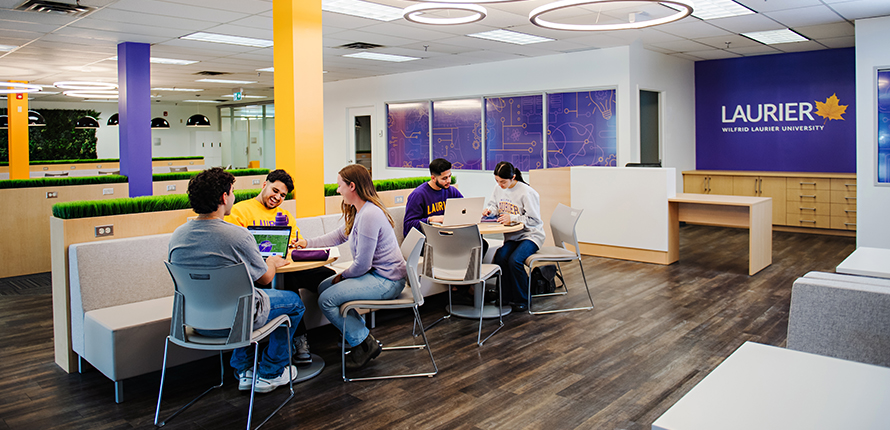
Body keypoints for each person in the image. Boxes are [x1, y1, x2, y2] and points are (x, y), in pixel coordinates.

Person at [168, 167, 304, 393]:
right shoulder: (237, 236)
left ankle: (245, 369)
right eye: (231, 191)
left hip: (194, 321)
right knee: (293, 303)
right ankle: (272, 371)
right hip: (235, 323)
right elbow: (265, 279)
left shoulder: (177, 235)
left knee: (239, 298)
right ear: (223, 197)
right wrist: (270, 262)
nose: (233, 196)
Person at [295, 164, 406, 370]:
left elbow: (362, 265)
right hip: (377, 275)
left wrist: (342, 276)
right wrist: (307, 243)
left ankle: (363, 342)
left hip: (388, 280)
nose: (338, 191)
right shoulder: (360, 211)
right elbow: (338, 235)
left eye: (340, 186)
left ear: (352, 186)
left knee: (326, 299)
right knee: (322, 287)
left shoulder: (370, 214)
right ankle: (359, 337)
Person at [224, 169, 334, 365]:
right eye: (275, 191)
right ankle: (297, 342)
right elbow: (236, 249)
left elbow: (294, 244)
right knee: (287, 283)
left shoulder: (285, 215)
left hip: (286, 267)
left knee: (329, 277)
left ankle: (350, 334)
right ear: (264, 184)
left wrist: (294, 245)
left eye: (282, 195)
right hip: (257, 275)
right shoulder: (240, 211)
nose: (277, 197)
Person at [483, 161, 545, 312]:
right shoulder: (498, 188)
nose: (500, 184)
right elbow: (495, 205)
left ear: (513, 177)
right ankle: (505, 296)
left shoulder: (527, 192)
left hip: (531, 236)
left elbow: (534, 220)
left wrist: (513, 218)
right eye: (497, 181)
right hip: (513, 237)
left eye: (503, 181)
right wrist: (490, 210)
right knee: (500, 257)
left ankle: (522, 299)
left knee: (515, 260)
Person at [403, 158, 463, 234]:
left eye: (449, 176)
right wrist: (430, 219)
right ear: (433, 178)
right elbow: (408, 226)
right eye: (444, 178)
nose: (449, 181)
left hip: (449, 235)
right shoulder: (418, 195)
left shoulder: (452, 191)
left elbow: (464, 210)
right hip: (429, 239)